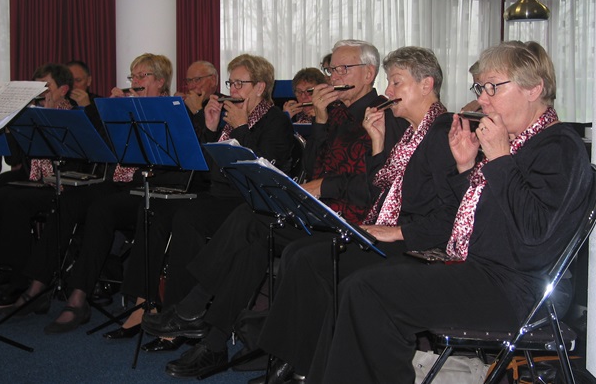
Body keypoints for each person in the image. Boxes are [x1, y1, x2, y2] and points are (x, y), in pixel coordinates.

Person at [307, 41, 593, 383]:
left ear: (534, 88)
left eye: (493, 87)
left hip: (520, 290)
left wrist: (499, 161)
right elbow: (478, 220)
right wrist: (466, 168)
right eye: (480, 88)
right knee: (359, 286)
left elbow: (534, 237)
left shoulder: (559, 147)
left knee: (369, 292)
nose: (483, 99)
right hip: (487, 271)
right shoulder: (518, 143)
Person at [140, 39, 409, 376]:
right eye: (332, 69)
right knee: (253, 236)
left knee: (251, 221)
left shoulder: (384, 115)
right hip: (319, 209)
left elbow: (378, 185)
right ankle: (211, 339)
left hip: (352, 219)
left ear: (369, 73)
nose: (334, 75)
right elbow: (313, 168)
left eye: (344, 69)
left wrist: (325, 185)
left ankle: (195, 313)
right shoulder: (336, 112)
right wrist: (321, 122)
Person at [250, 46, 458, 383]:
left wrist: (398, 231)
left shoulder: (441, 132)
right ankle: (299, 360)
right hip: (390, 229)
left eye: (396, 83)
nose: (388, 93)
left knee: (318, 260)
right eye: (389, 83)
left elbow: (448, 212)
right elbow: (383, 190)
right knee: (306, 254)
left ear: (426, 85)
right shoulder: (412, 132)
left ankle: (303, 364)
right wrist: (377, 143)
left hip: (418, 244)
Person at [102, 54, 294, 344]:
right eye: (232, 82)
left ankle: (182, 313)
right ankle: (151, 303)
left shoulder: (275, 120)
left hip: (247, 202)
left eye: (240, 83)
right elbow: (201, 168)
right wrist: (211, 128)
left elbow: (263, 173)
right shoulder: (230, 119)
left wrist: (241, 128)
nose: (233, 89)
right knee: (156, 210)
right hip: (216, 195)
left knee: (188, 218)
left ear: (260, 87)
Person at [0, 54, 173, 331]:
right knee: (68, 200)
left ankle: (78, 298)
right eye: (133, 76)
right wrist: (107, 110)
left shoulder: (170, 110)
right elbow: (89, 134)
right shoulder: (124, 105)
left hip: (145, 188)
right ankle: (35, 288)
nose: (136, 81)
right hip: (115, 184)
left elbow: (170, 159)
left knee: (101, 209)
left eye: (143, 76)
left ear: (161, 81)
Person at [0, 63, 78, 307]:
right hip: (36, 178)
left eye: (46, 87)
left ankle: (17, 275)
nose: (41, 93)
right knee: (0, 186)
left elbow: (75, 160)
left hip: (62, 183)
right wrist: (10, 127)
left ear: (63, 89)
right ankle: (2, 268)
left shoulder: (72, 115)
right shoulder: (31, 114)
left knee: (14, 199)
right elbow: (13, 160)